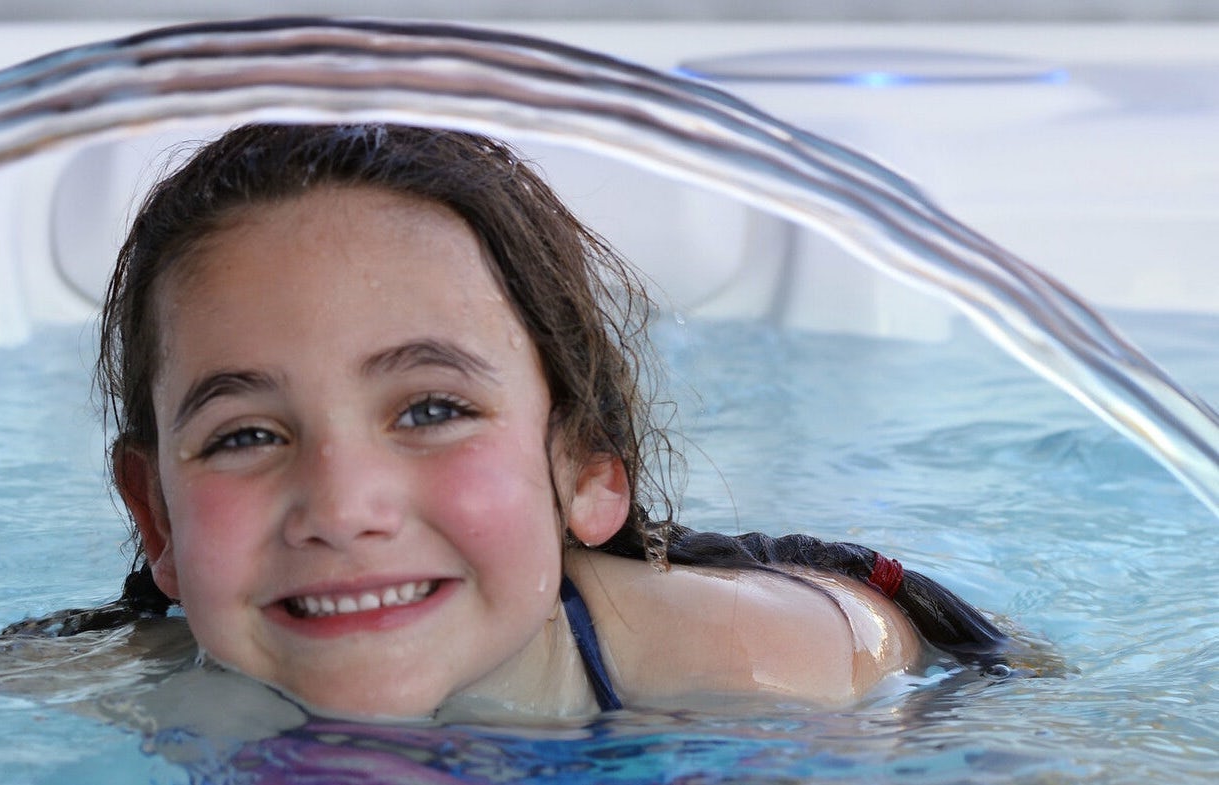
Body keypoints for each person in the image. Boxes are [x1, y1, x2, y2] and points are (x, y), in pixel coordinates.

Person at [95, 123, 1012, 720]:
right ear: (159, 517)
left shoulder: (769, 673)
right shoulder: (104, 692)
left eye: (431, 409)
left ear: (586, 469)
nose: (341, 507)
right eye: (245, 434)